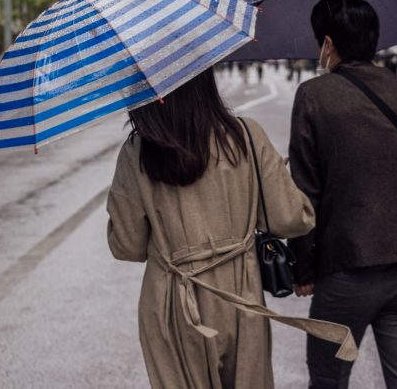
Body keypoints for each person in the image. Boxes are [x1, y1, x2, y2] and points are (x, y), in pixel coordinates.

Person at [107, 69, 353, 388]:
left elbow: (127, 246)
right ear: (204, 81)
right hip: (240, 292)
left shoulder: (138, 152)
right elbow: (290, 219)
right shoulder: (245, 136)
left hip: (171, 303)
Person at [290, 0, 397, 389]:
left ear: (327, 44)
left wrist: (303, 268)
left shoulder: (313, 95)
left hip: (346, 268)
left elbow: (305, 194)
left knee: (329, 381)